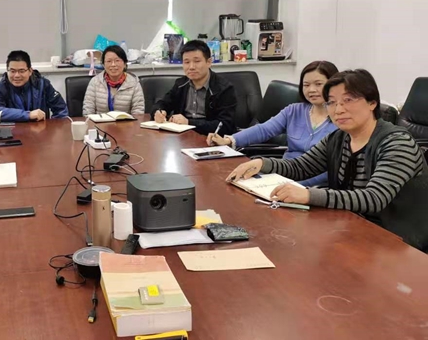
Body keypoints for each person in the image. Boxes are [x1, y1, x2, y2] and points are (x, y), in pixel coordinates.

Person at [226, 69, 428, 251]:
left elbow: (374, 198)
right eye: (331, 102)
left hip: (398, 244)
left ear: (372, 103)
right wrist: (262, 163)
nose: (338, 109)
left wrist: (308, 195)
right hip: (351, 227)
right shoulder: (339, 138)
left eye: (348, 100)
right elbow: (301, 166)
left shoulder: (397, 143)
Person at [208, 61, 339, 187]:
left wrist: (294, 185)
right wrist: (229, 140)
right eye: (306, 85)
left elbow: (330, 170)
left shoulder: (341, 119)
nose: (311, 90)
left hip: (313, 184)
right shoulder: (294, 111)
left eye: (318, 84)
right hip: (283, 173)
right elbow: (264, 130)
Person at [151, 39, 237, 135]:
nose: (191, 67)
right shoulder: (181, 84)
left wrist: (189, 123)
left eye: (197, 61)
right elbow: (163, 103)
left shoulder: (224, 88)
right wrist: (158, 112)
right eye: (186, 62)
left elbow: (225, 125)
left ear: (209, 62)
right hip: (182, 136)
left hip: (211, 138)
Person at [0, 50, 68, 122]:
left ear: (30, 71)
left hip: (40, 131)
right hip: (12, 131)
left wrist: (53, 128)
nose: (16, 75)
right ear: (7, 71)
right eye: (12, 71)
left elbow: (61, 110)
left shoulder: (42, 84)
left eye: (21, 71)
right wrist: (28, 115)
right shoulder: (0, 88)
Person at [82, 45, 145, 116]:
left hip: (126, 122)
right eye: (109, 61)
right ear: (103, 65)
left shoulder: (134, 83)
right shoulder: (95, 82)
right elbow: (88, 111)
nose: (113, 64)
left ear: (125, 64)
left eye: (117, 61)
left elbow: (138, 112)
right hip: (99, 122)